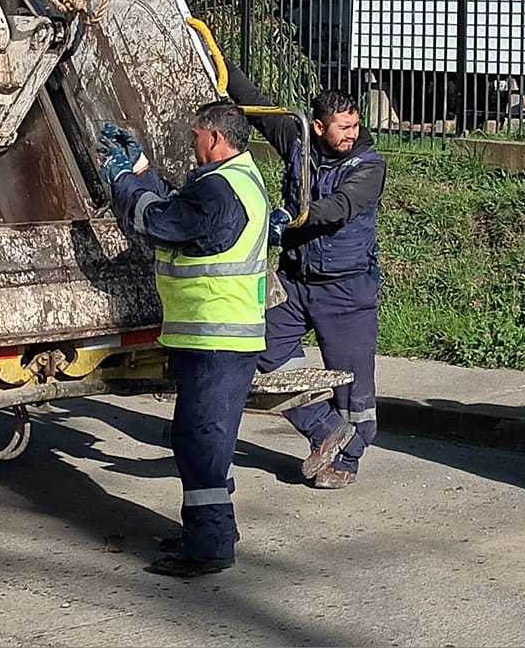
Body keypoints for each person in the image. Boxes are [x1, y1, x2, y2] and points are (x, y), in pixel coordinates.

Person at [102, 104, 271, 579]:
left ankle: (209, 545)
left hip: (214, 336)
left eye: (196, 134)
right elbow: (182, 209)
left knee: (200, 441)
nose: (191, 142)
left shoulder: (218, 189)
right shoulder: (238, 179)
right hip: (225, 337)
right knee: (208, 441)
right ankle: (213, 531)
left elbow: (159, 222)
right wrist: (140, 170)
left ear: (215, 137)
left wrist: (121, 183)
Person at [227, 68, 387, 489]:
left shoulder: (369, 166)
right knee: (263, 351)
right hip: (295, 281)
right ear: (318, 127)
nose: (352, 133)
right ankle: (323, 429)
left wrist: (294, 219)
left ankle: (348, 459)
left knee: (353, 390)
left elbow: (340, 206)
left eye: (355, 124)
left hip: (346, 289)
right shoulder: (298, 138)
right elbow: (254, 104)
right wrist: (213, 55)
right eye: (343, 127)